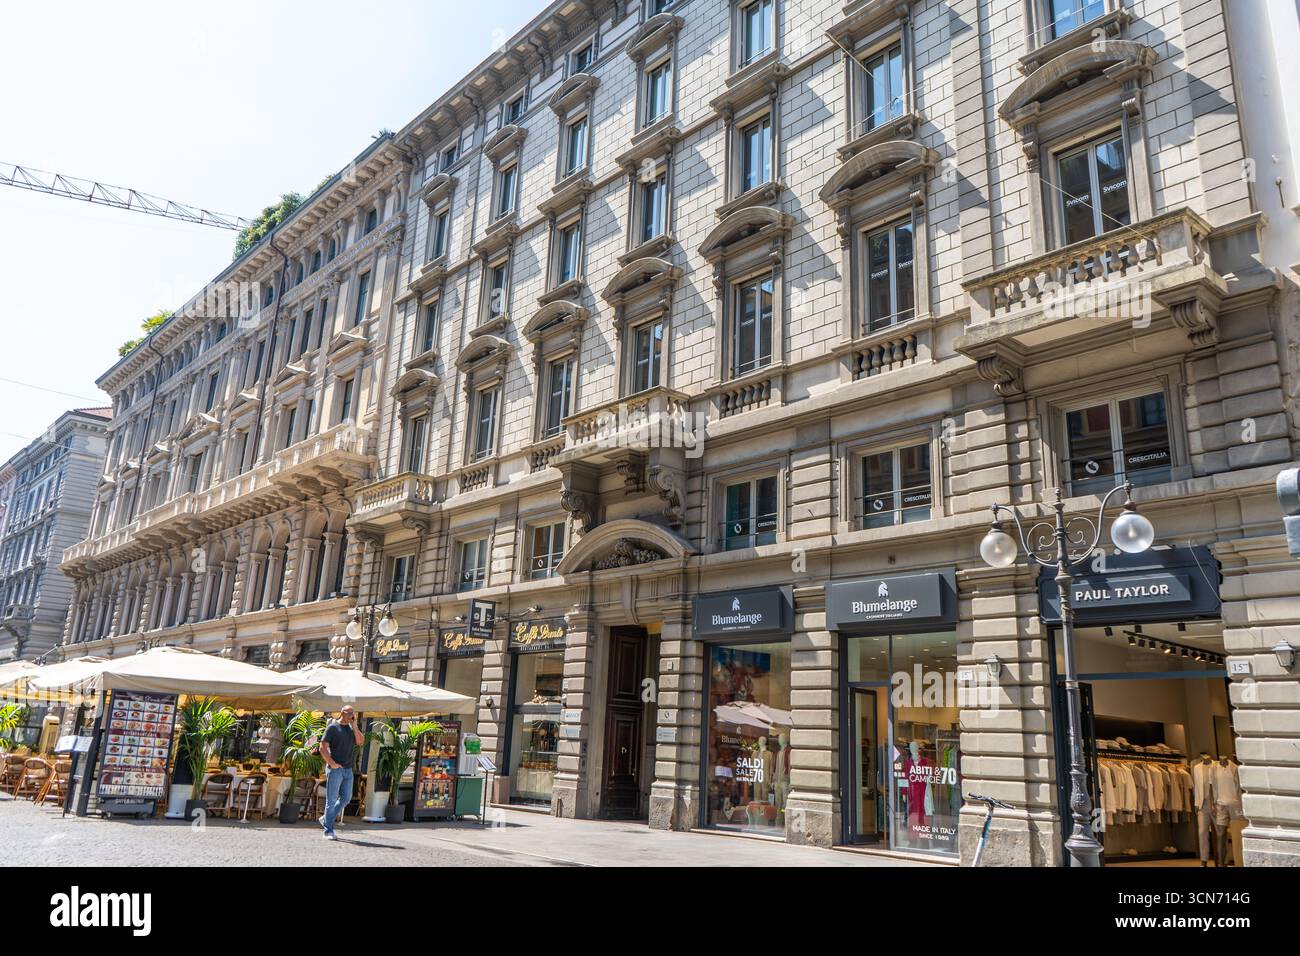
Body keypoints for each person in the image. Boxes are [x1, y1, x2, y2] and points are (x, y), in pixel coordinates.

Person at [319, 705, 363, 840]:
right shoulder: (332, 727)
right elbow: (322, 747)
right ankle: (328, 831)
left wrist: (355, 726)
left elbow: (360, 742)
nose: (351, 715)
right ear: (341, 713)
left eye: (352, 713)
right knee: (331, 800)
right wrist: (332, 763)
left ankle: (326, 818)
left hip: (348, 769)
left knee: (346, 798)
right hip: (335, 769)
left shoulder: (351, 729)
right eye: (348, 713)